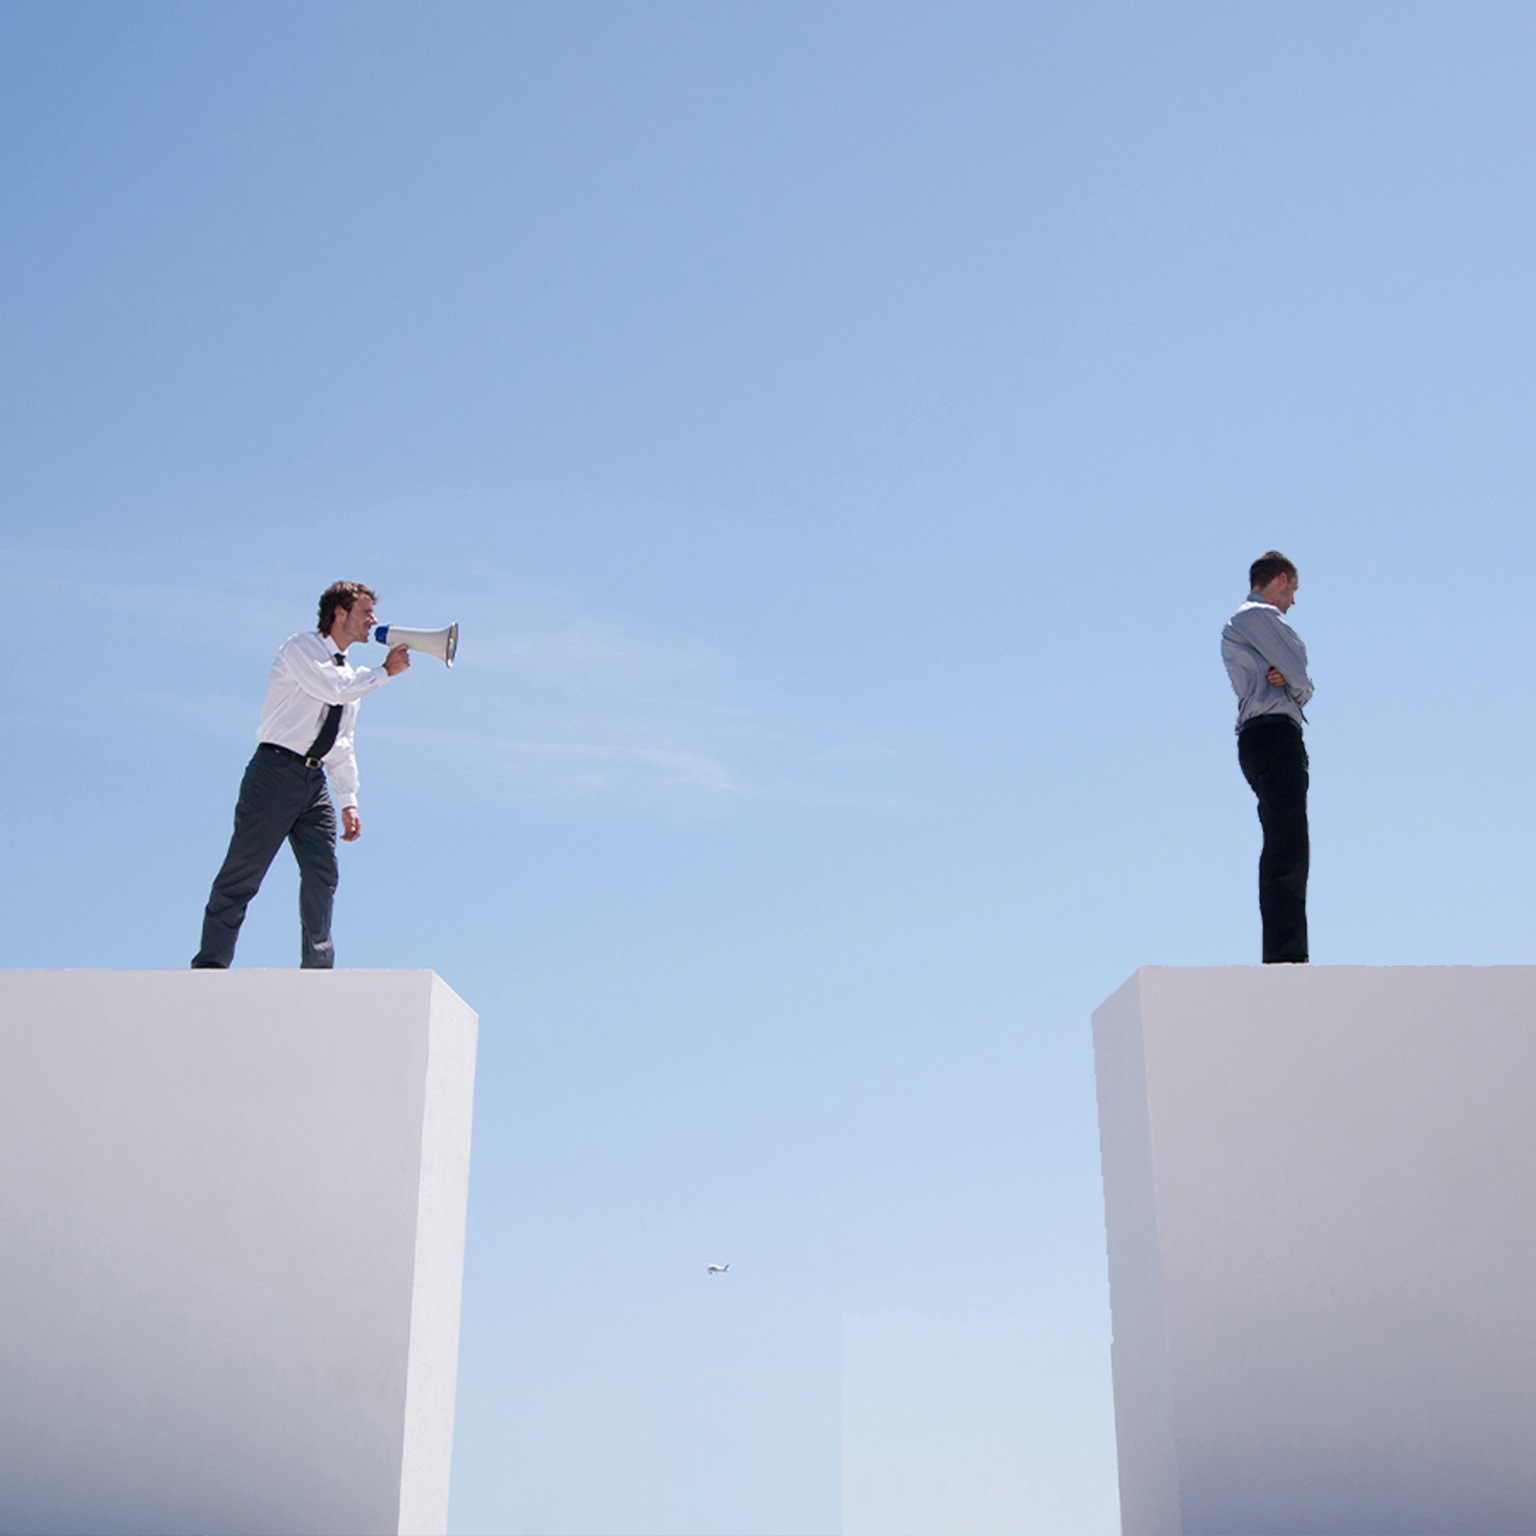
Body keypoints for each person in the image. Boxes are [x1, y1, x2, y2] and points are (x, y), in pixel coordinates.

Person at [191, 582, 410, 969]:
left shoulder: (351, 676)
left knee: (322, 874)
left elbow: (341, 743)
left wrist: (348, 800)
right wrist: (383, 672)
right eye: (365, 612)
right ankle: (210, 964)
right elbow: (332, 689)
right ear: (339, 613)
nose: (373, 620)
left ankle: (317, 969)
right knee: (244, 872)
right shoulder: (302, 649)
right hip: (275, 772)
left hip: (315, 781)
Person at [1222, 551, 1314, 964]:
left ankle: (1285, 953)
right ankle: (1286, 957)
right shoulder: (1258, 616)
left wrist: (1290, 676)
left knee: (1285, 841)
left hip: (1264, 736)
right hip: (1273, 733)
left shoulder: (1250, 622)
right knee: (1287, 845)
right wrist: (1294, 680)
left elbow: (1292, 672)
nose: (1293, 600)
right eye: (1293, 589)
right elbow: (1301, 676)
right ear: (1279, 579)